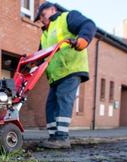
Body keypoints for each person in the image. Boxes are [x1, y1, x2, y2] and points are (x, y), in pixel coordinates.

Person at [35, 2, 96, 149]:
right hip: (55, 75)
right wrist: (29, 63)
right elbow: (40, 55)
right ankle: (53, 137)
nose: (42, 19)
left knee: (63, 99)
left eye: (43, 15)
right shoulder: (45, 34)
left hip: (71, 69)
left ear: (52, 9)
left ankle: (62, 138)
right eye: (40, 18)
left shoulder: (67, 17)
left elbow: (88, 25)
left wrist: (83, 40)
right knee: (50, 104)